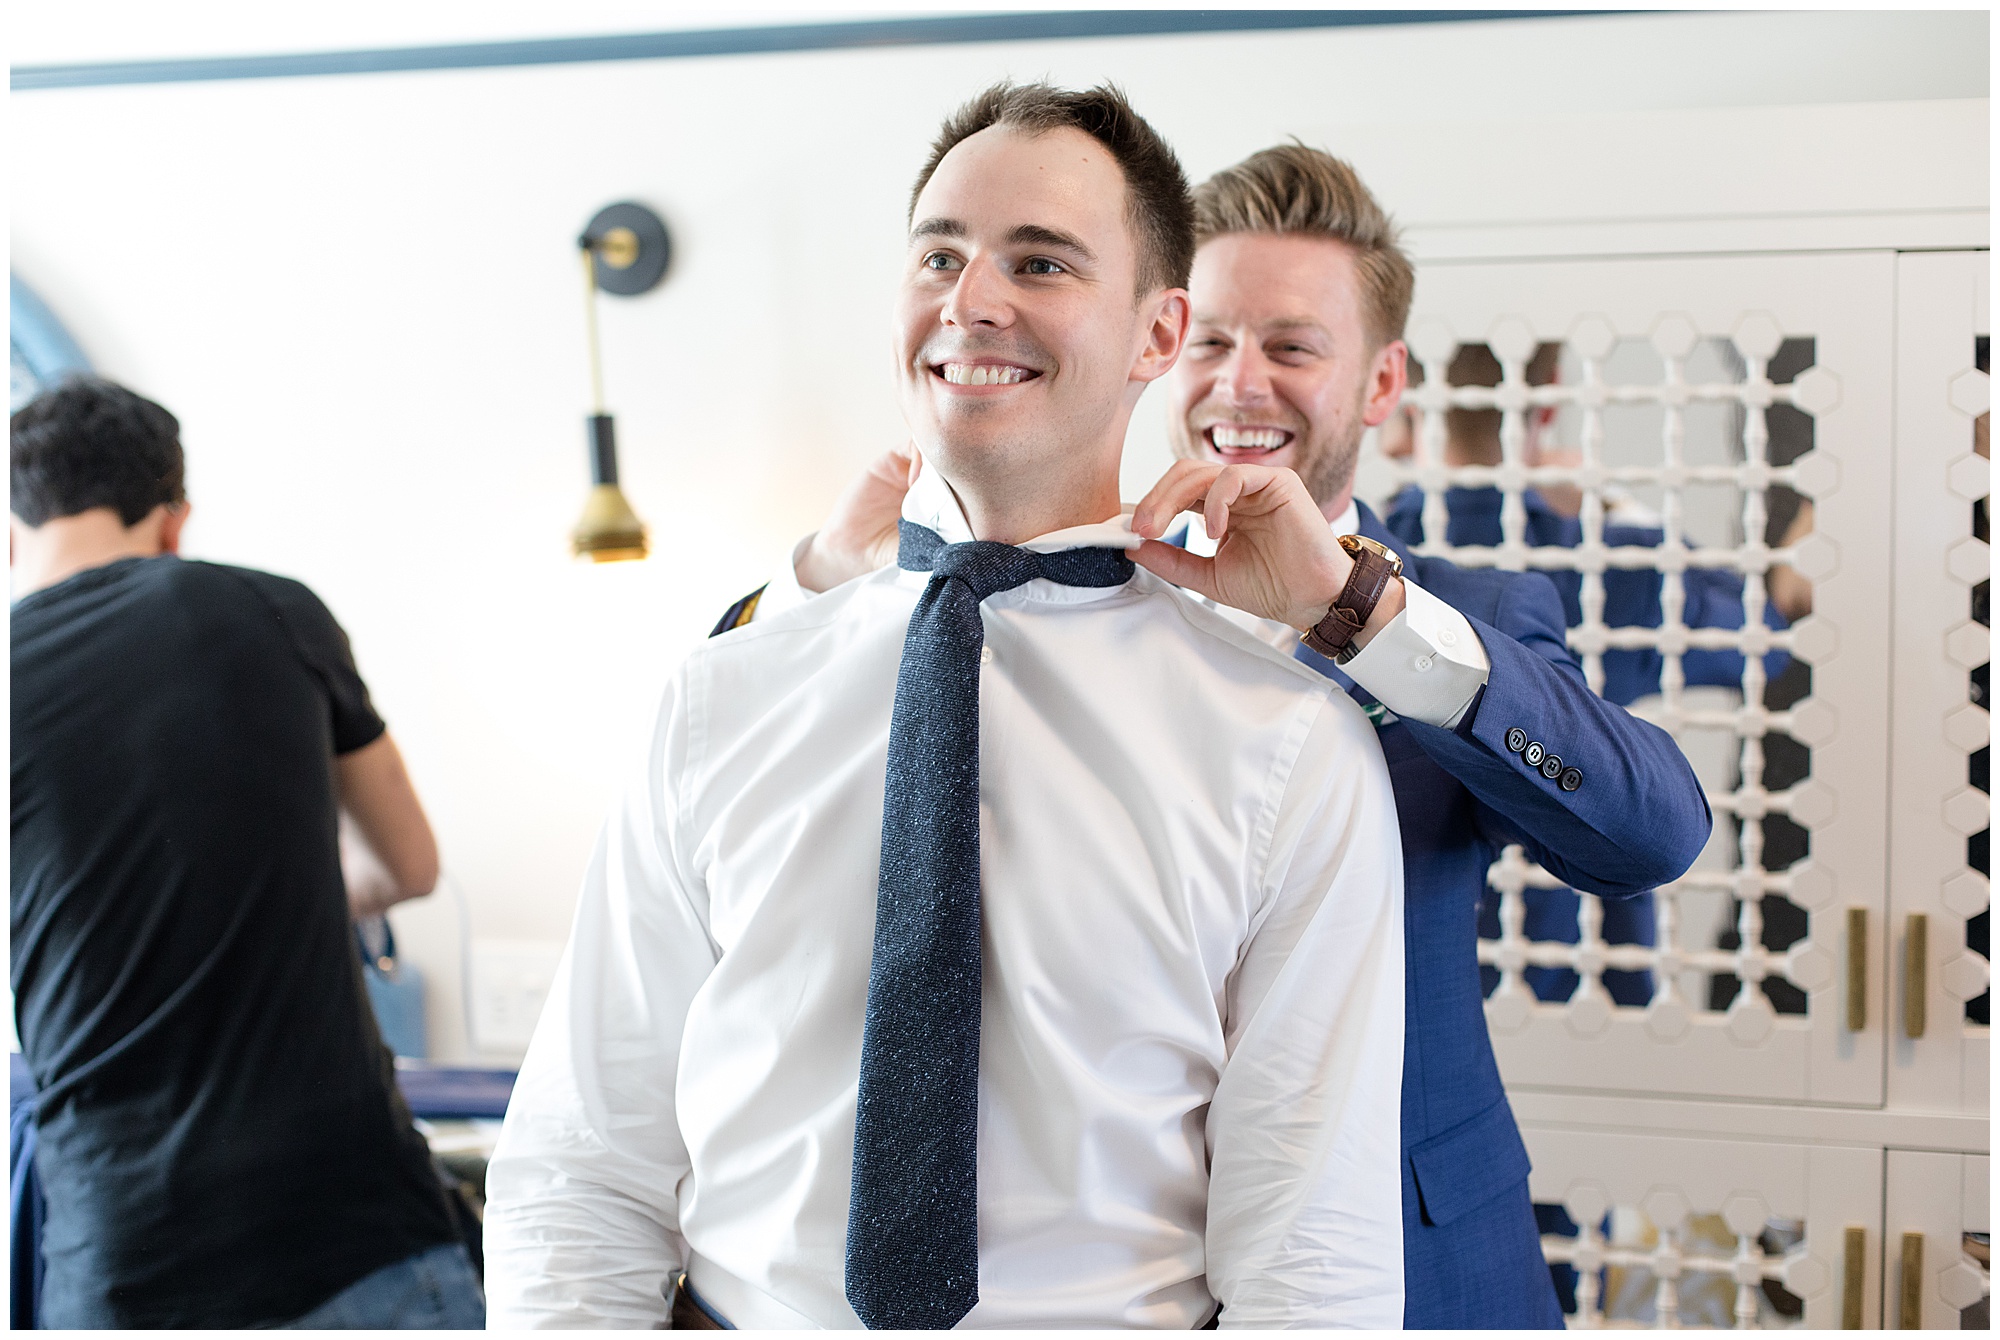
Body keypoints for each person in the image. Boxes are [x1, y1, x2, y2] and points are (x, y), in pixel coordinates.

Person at [484, 83, 1407, 1329]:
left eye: (1040, 260)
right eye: (939, 253)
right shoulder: (723, 694)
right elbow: (581, 1163)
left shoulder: (1284, 741)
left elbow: (1313, 1259)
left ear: (1155, 335)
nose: (971, 299)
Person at [742, 144, 1712, 1328]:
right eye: (1209, 339)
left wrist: (1354, 615)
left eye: (1292, 347)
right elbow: (744, 724)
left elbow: (1650, 831)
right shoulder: (1018, 594)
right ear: (1155, 343)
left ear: (1380, 380)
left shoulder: (1468, 616)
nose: (1239, 385)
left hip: (1407, 1270)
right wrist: (817, 576)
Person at [9, 377, 484, 1329]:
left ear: (15, 527)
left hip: (122, 1258)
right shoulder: (271, 610)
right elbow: (407, 868)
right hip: (352, 1231)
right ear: (175, 519)